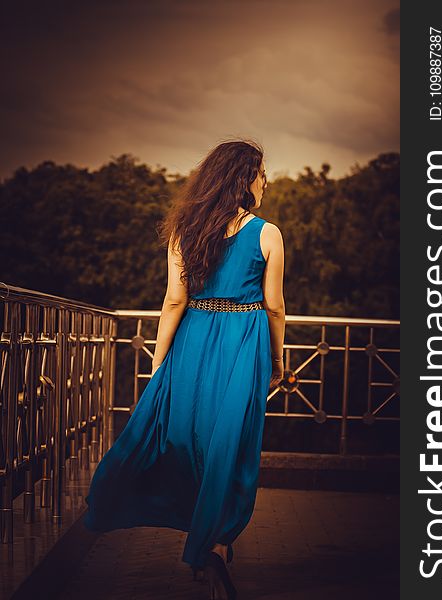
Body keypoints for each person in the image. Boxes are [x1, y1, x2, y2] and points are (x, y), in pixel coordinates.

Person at [84, 139, 286, 600]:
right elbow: (274, 307)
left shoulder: (184, 229)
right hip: (243, 343)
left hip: (193, 338)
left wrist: (160, 363)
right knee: (229, 446)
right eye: (260, 174)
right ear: (242, 179)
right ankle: (214, 542)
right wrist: (277, 360)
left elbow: (174, 299)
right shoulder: (268, 233)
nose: (265, 181)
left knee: (189, 438)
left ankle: (201, 539)